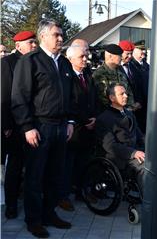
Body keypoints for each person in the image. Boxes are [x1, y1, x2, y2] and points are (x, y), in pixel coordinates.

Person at [11, 19, 75, 238]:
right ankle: (34, 220)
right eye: (56, 34)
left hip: (60, 127)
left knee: (55, 175)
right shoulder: (30, 61)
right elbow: (19, 97)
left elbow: (70, 96)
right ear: (43, 36)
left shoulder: (65, 64)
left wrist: (70, 122)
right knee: (35, 176)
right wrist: (27, 127)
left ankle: (49, 214)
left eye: (61, 34)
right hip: (39, 127)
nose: (60, 38)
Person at [95, 83, 157, 214]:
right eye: (121, 94)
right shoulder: (104, 118)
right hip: (118, 157)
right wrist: (133, 153)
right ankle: (150, 203)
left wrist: (156, 148)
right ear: (112, 98)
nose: (126, 95)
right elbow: (110, 146)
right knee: (145, 165)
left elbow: (141, 136)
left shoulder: (129, 113)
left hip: (136, 152)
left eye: (126, 93)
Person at [1, 30, 37, 219]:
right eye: (30, 42)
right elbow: (5, 96)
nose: (34, 45)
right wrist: (6, 124)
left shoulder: (34, 61)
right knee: (15, 166)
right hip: (14, 126)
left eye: (34, 42)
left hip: (33, 122)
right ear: (18, 46)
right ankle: (12, 204)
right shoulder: (7, 63)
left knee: (31, 165)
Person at [58, 43, 98, 211]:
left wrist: (94, 117)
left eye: (85, 56)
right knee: (68, 163)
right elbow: (69, 101)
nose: (85, 59)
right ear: (71, 58)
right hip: (74, 127)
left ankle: (83, 191)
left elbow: (93, 97)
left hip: (89, 126)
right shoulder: (65, 76)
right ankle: (63, 195)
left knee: (84, 162)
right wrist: (82, 119)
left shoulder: (87, 73)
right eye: (81, 56)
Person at [93, 44, 127, 112]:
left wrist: (129, 106)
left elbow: (128, 91)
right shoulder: (99, 73)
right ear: (110, 56)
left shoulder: (120, 72)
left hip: (123, 111)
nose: (122, 58)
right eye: (119, 56)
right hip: (108, 112)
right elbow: (103, 97)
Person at [118, 40, 142, 111]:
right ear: (120, 53)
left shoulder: (134, 66)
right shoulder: (116, 67)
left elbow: (139, 86)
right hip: (124, 108)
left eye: (131, 54)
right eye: (127, 54)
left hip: (137, 107)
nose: (130, 56)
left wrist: (139, 102)